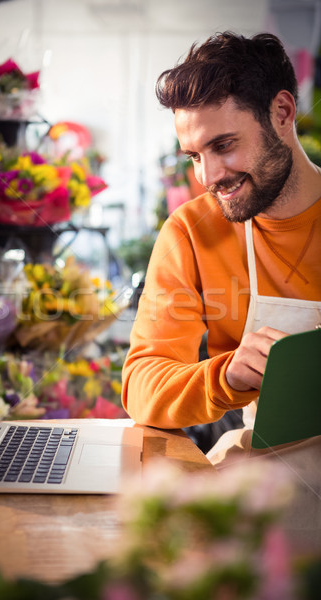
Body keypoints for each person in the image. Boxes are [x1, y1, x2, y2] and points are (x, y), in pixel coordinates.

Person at [121, 31, 321, 549]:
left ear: (281, 112)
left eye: (223, 145)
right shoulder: (192, 233)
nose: (208, 176)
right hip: (272, 471)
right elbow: (142, 384)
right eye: (192, 156)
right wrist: (226, 375)